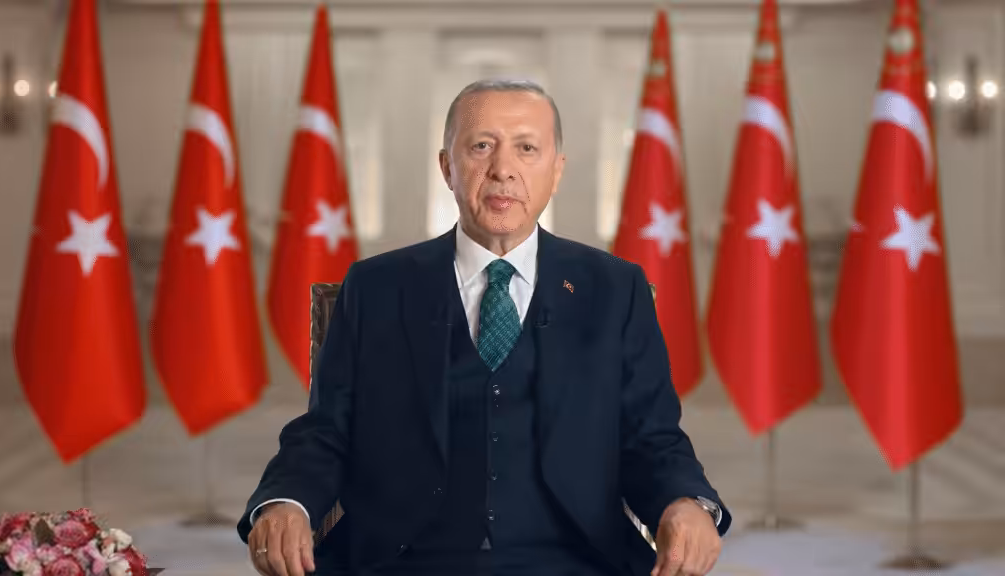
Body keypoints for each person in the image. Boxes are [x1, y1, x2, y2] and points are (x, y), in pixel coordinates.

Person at [237, 78, 731, 576]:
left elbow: (652, 437)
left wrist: (686, 503)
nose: (503, 170)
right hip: (404, 559)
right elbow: (326, 431)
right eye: (481, 147)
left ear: (556, 171)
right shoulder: (376, 287)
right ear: (448, 167)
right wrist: (286, 503)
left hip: (577, 559)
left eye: (527, 149)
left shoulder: (614, 289)